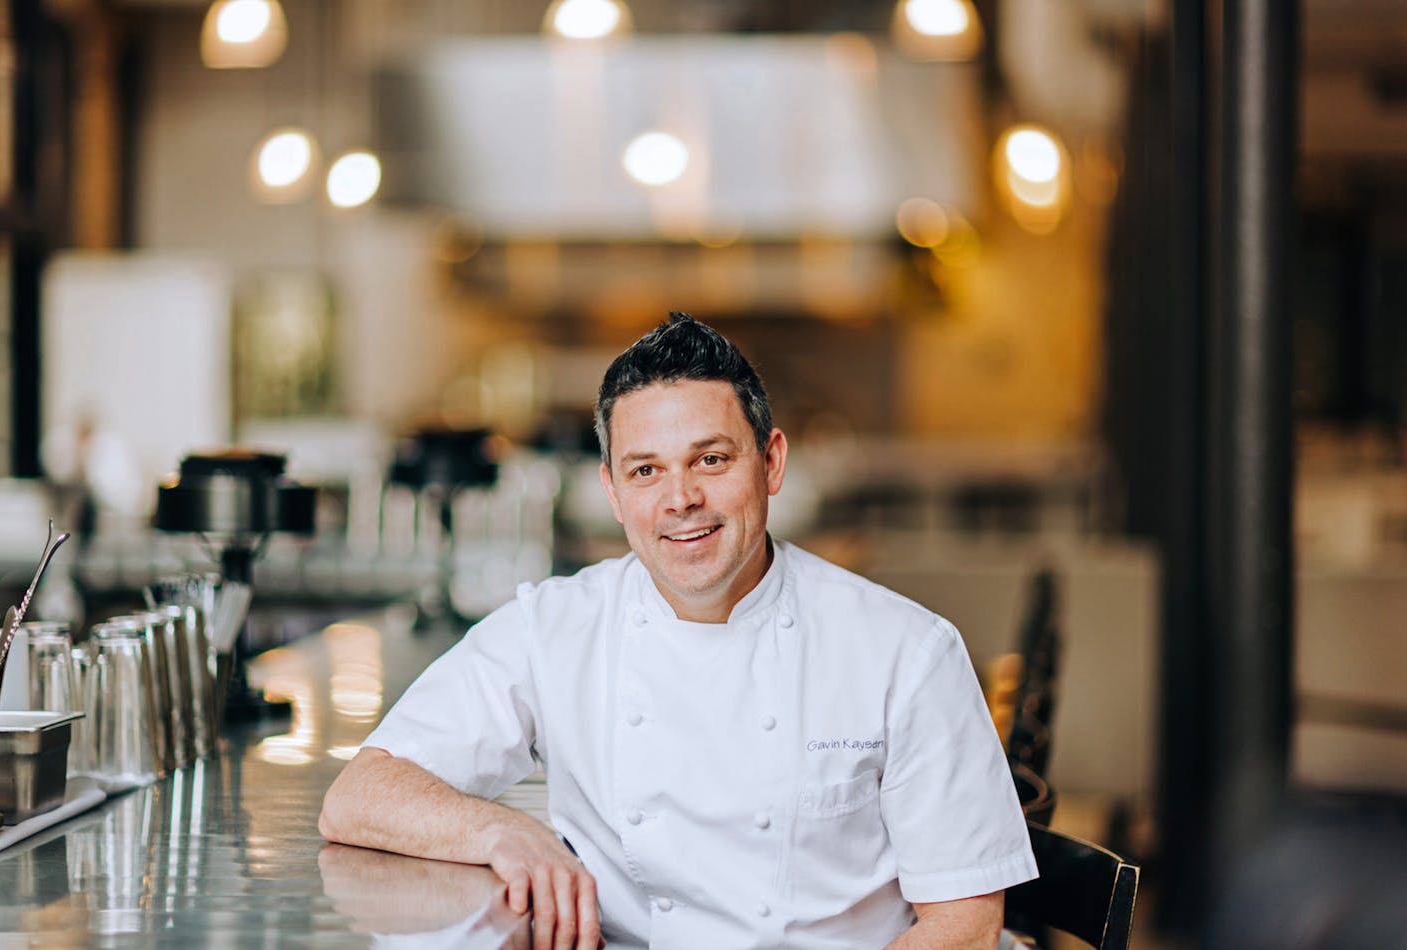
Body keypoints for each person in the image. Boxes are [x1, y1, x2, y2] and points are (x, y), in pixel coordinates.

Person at [320, 313, 1037, 949]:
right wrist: (503, 831)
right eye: (645, 471)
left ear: (772, 461)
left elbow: (964, 926)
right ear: (611, 491)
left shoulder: (906, 651)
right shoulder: (555, 627)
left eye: (711, 459)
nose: (681, 500)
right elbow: (359, 795)